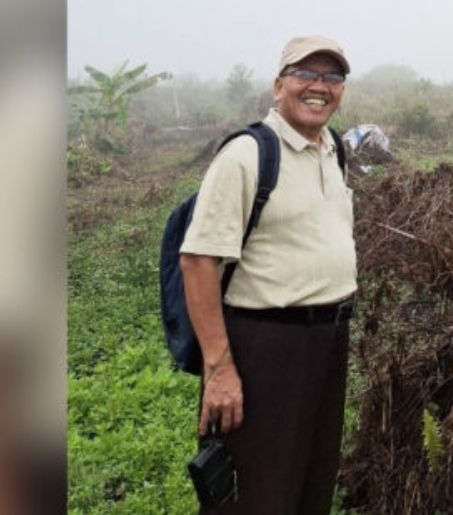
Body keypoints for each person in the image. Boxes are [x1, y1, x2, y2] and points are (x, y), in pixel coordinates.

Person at [179, 35, 357, 514]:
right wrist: (219, 369)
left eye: (332, 76)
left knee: (311, 485)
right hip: (264, 351)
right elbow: (197, 261)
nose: (319, 86)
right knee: (257, 494)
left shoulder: (334, 150)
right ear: (279, 86)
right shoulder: (247, 155)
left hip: (326, 345)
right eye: (306, 74)